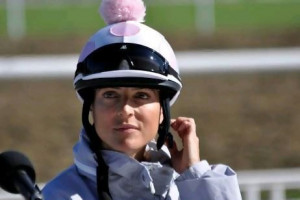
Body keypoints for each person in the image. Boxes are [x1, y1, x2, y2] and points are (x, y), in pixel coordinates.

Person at [42, 0, 242, 199]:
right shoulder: (58, 195)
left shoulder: (188, 188)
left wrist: (195, 175)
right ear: (91, 106)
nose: (126, 109)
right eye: (110, 94)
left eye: (141, 95)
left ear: (163, 109)